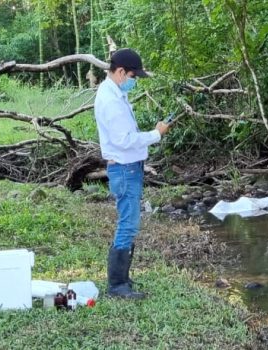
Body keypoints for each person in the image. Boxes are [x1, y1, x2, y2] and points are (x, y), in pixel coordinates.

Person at [93, 48, 171, 299]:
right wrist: (156, 134)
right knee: (127, 224)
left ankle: (123, 278)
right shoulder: (110, 100)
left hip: (128, 167)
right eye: (133, 76)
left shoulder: (115, 94)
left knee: (129, 223)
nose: (134, 81)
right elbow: (123, 140)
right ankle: (117, 285)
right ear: (120, 72)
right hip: (124, 169)